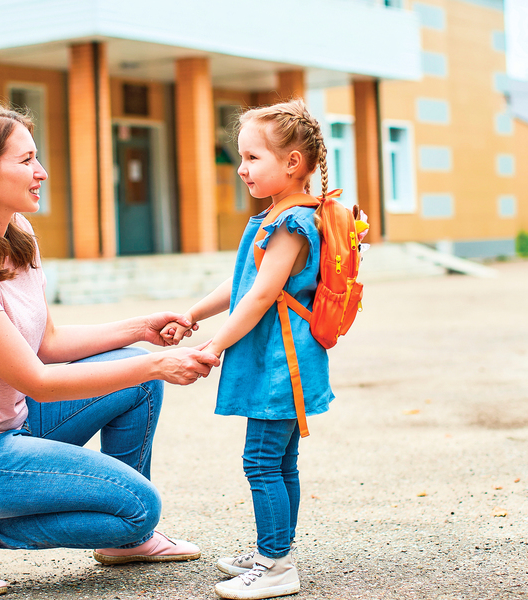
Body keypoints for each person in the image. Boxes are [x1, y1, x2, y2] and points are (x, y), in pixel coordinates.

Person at [0, 100, 220, 598]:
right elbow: (39, 381)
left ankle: (125, 542)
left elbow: (47, 344)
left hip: (12, 426)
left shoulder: (16, 234)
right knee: (140, 508)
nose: (41, 172)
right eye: (26, 160)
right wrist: (156, 363)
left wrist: (140, 330)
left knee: (135, 381)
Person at [161, 99, 334, 599]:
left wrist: (214, 345)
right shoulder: (276, 216)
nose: (241, 168)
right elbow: (242, 284)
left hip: (282, 365)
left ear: (292, 164)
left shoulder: (292, 223)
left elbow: (261, 296)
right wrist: (193, 315)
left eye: (252, 157)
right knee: (280, 462)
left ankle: (277, 566)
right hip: (277, 359)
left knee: (262, 461)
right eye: (241, 157)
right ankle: (272, 551)